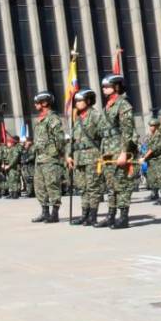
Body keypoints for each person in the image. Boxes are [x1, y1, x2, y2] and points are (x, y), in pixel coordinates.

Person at [97, 74, 137, 228]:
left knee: (122, 184)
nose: (104, 89)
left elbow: (128, 130)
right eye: (103, 87)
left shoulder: (123, 104)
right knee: (111, 185)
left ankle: (123, 217)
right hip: (108, 150)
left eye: (107, 86)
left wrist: (124, 152)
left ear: (117, 87)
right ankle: (111, 215)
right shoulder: (107, 106)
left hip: (119, 149)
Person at [66, 89, 104, 225]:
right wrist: (68, 155)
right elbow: (72, 140)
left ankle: (93, 215)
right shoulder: (77, 118)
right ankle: (84, 214)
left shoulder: (95, 115)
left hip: (92, 156)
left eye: (80, 100)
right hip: (78, 157)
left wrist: (103, 155)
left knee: (92, 187)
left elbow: (103, 135)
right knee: (82, 187)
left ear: (88, 101)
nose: (77, 103)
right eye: (76, 101)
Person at [30, 90, 65, 223]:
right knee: (39, 186)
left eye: (37, 102)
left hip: (50, 157)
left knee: (52, 185)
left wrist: (56, 153)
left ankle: (54, 213)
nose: (35, 105)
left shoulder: (53, 118)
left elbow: (60, 138)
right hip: (39, 158)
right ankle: (45, 212)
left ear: (45, 103)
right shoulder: (39, 119)